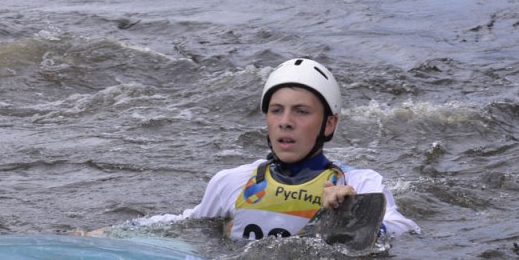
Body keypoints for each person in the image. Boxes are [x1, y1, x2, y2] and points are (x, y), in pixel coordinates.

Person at [127, 58, 419, 241]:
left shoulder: (359, 183)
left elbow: (406, 231)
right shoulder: (232, 182)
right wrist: (118, 231)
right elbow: (185, 224)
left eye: (301, 112)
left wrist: (354, 213)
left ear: (329, 124)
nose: (285, 122)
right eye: (276, 110)